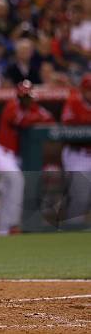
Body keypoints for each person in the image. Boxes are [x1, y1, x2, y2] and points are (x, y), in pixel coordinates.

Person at [0, 80, 54, 235]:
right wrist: (36, 116)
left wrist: (36, 114)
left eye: (28, 97)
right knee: (17, 180)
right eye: (24, 97)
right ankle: (13, 224)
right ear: (18, 96)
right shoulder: (11, 106)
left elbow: (50, 118)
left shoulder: (32, 107)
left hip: (15, 156)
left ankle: (3, 230)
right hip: (2, 152)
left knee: (8, 192)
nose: (26, 100)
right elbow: (23, 121)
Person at [60, 73, 91, 226]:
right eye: (89, 90)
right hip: (77, 154)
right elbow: (67, 129)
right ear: (83, 90)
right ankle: (73, 229)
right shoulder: (73, 102)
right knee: (80, 196)